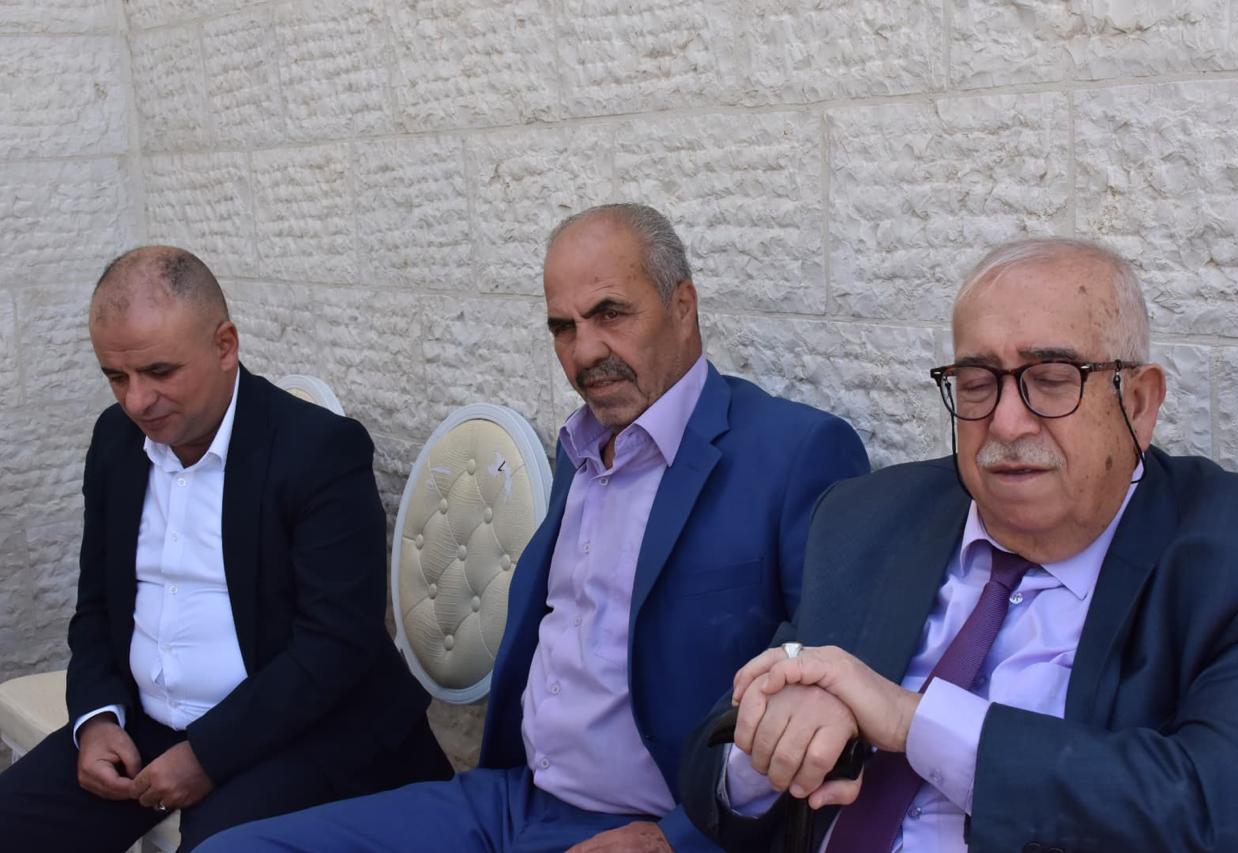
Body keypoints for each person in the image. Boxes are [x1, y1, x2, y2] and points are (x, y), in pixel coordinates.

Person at [197, 203, 870, 852]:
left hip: (652, 827)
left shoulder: (794, 453)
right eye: (563, 327)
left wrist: (678, 838)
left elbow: (826, 684)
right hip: (509, 802)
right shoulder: (581, 449)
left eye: (610, 314)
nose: (585, 351)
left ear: (683, 306)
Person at [681, 236, 1238, 852]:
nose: (1006, 422)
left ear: (1139, 401)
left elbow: (1224, 817)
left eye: (1052, 380)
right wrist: (775, 736)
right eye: (976, 383)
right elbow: (710, 779)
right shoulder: (869, 516)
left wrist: (911, 721)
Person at [0, 247, 452, 852]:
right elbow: (97, 609)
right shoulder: (115, 442)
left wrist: (208, 754)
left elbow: (337, 644)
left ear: (225, 346)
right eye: (117, 377)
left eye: (160, 371)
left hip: (297, 731)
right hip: (146, 722)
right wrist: (98, 716)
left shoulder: (318, 450)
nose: (137, 401)